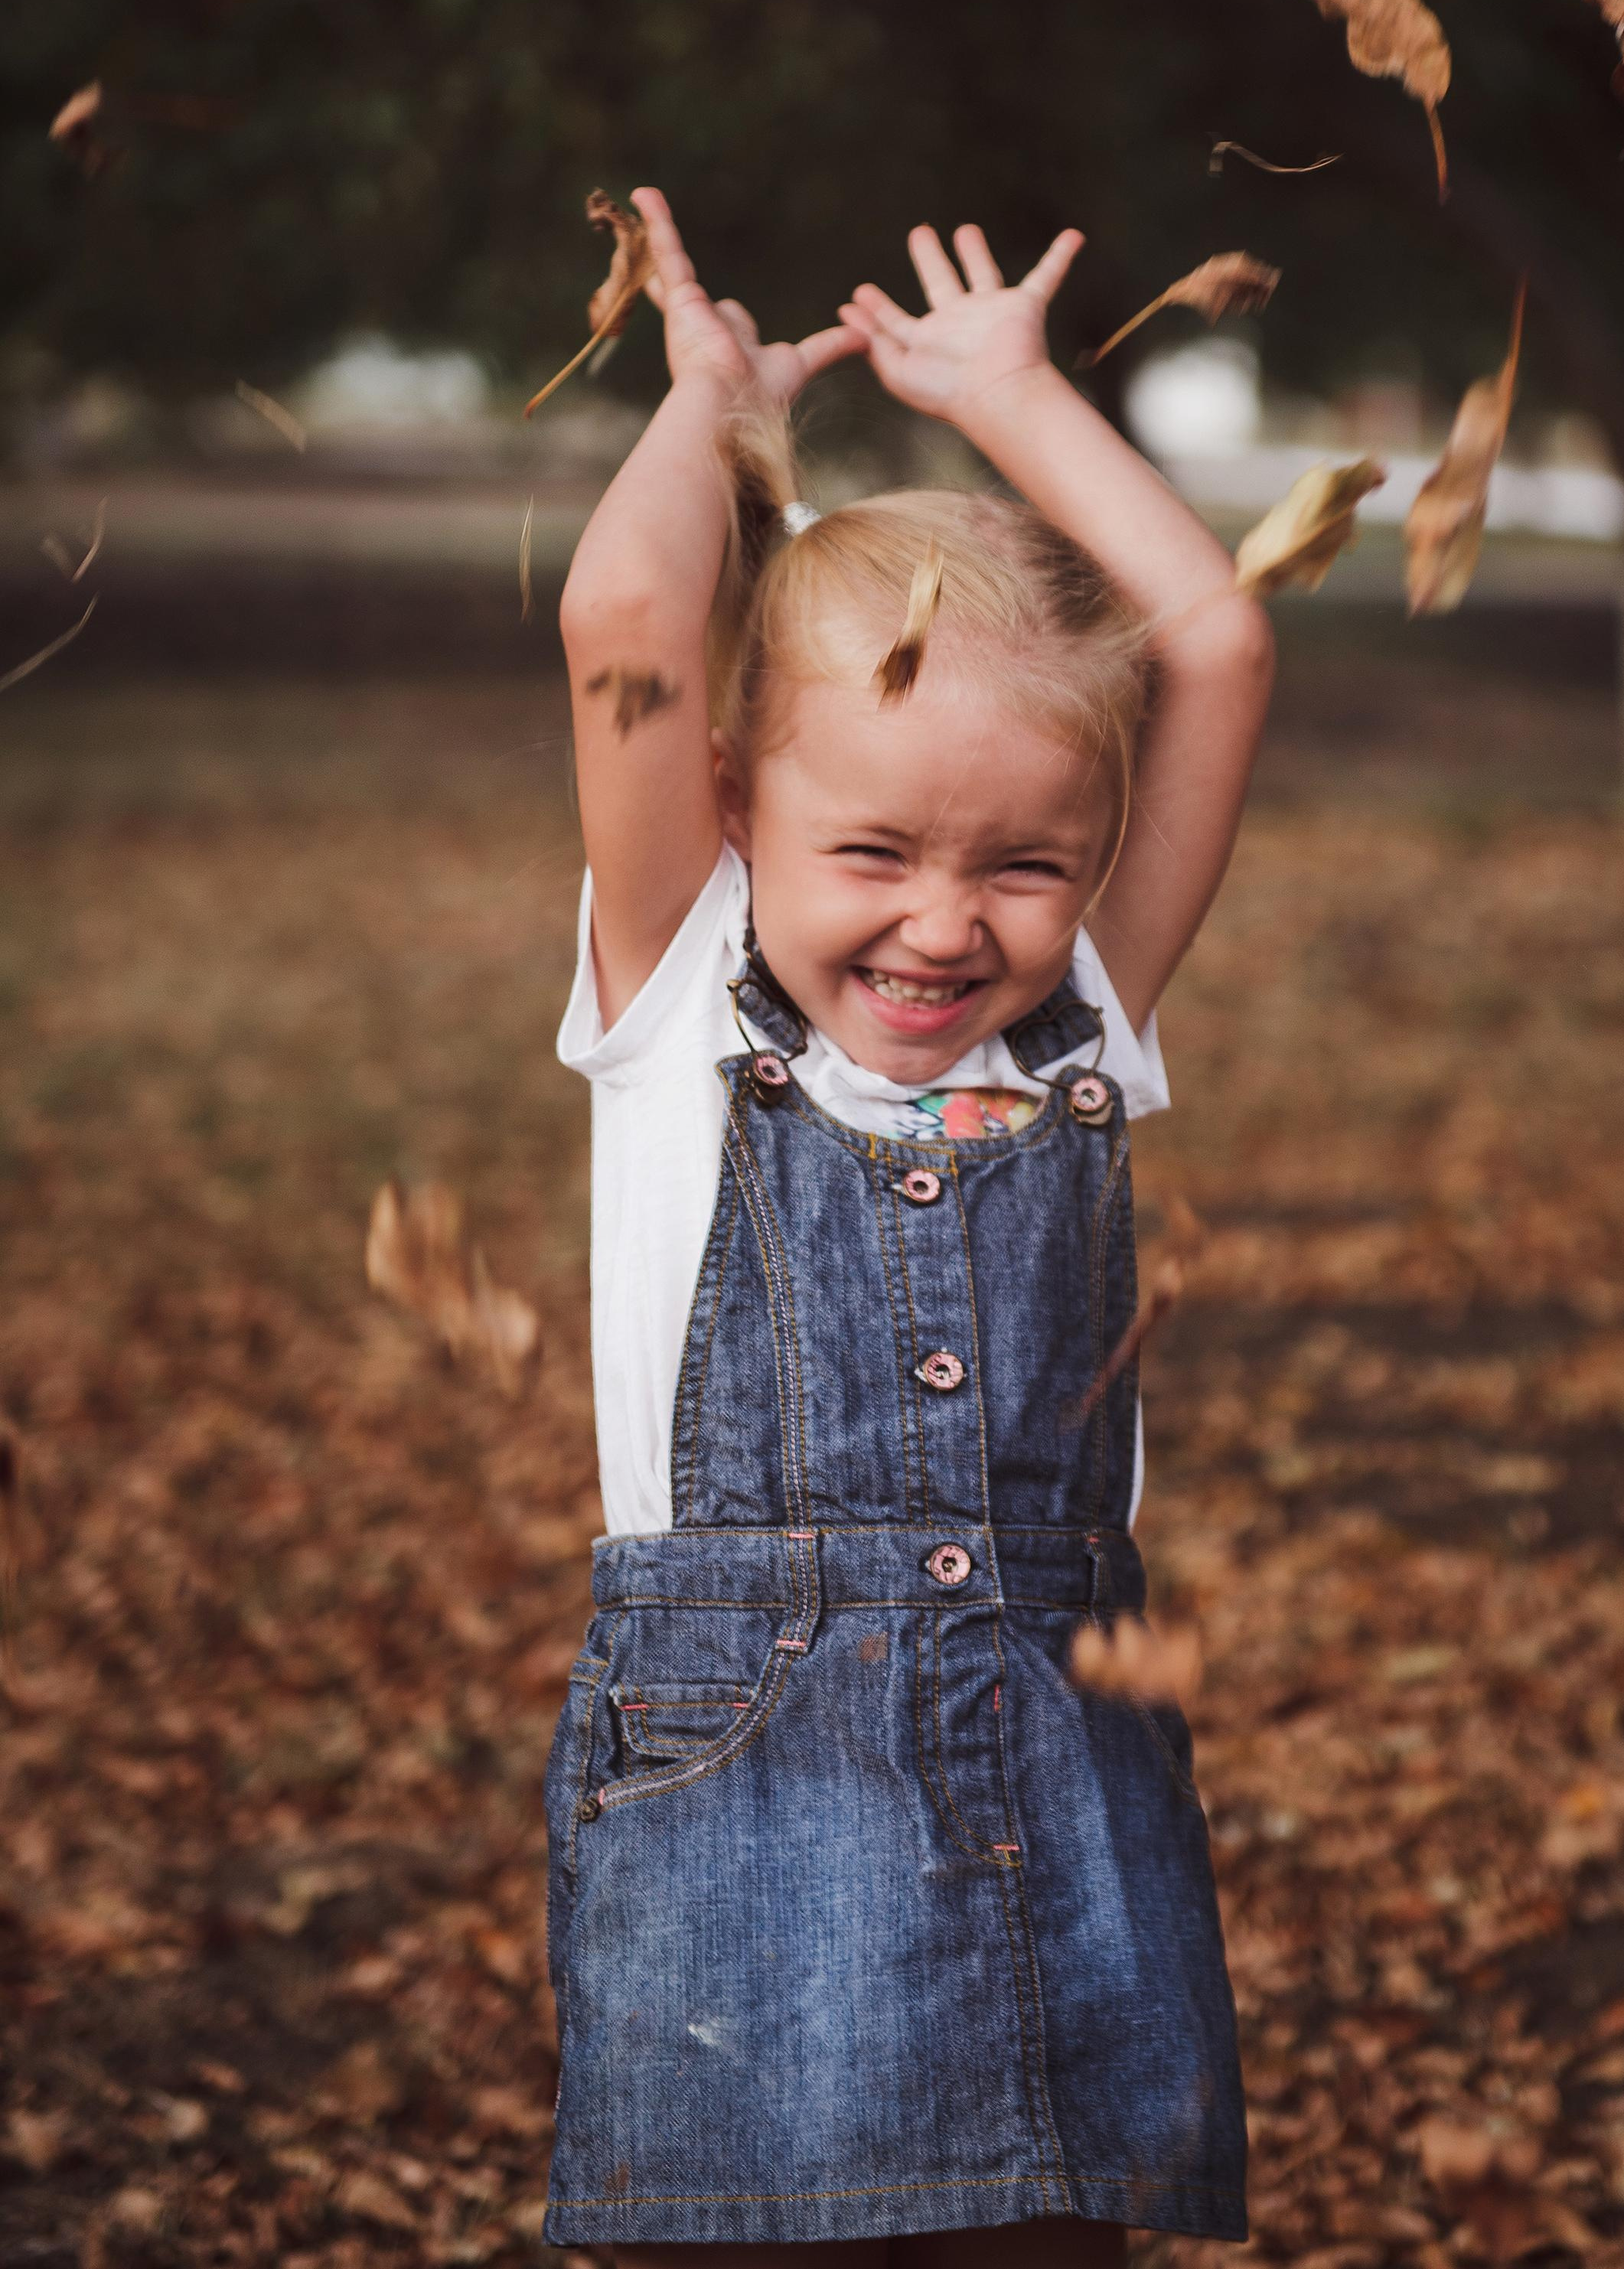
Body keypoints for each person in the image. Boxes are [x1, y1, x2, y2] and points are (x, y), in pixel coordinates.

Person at [545, 189, 1273, 2261]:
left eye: (1025, 862)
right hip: (746, 1779)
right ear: (731, 797)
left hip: (1052, 1765)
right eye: (871, 846)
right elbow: (621, 624)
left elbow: (1210, 641)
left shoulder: (1082, 1022)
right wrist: (712, 413)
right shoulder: (681, 997)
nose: (948, 920)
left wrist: (1021, 406)